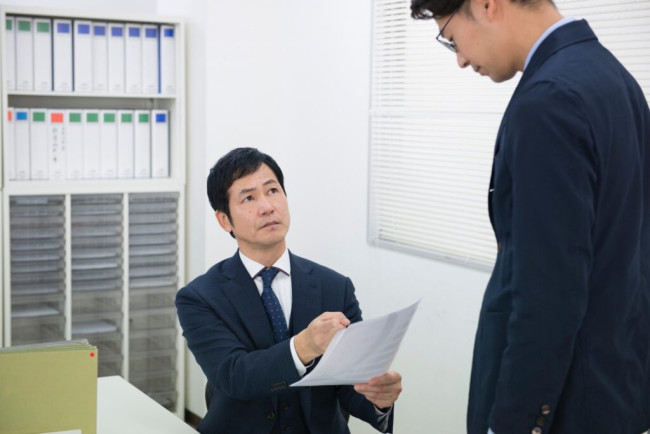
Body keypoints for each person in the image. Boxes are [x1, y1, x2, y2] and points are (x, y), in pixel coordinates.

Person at [410, 1, 650, 433]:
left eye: (451, 38)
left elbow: (548, 298)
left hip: (565, 408)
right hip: (615, 393)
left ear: (486, 5)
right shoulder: (616, 79)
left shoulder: (548, 101)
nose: (460, 59)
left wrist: (515, 424)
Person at [176, 147, 402, 434]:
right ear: (224, 220)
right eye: (248, 198)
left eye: (272, 191)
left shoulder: (335, 286)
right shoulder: (199, 298)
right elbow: (234, 375)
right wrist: (304, 345)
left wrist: (379, 398)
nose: (267, 207)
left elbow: (350, 383)